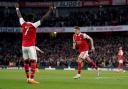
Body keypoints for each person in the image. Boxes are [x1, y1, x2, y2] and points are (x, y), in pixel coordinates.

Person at [15, 3, 54, 84]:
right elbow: (43, 18)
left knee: (26, 62)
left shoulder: (23, 23)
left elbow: (19, 16)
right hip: (30, 46)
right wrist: (50, 10)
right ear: (32, 19)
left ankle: (27, 78)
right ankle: (31, 79)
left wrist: (17, 9)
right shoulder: (34, 25)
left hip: (23, 46)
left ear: (27, 19)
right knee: (33, 62)